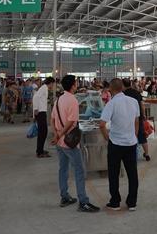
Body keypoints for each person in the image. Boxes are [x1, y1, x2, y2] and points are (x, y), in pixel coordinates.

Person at [51, 75, 99, 213]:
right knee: (79, 170)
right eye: (76, 82)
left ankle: (64, 197)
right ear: (73, 85)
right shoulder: (72, 99)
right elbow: (71, 121)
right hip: (69, 142)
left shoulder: (59, 99)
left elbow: (52, 119)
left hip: (60, 143)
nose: (77, 84)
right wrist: (61, 135)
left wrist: (56, 135)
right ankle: (83, 202)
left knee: (63, 169)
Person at [99, 79, 140, 211]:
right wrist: (134, 135)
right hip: (131, 143)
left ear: (110, 89)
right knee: (132, 173)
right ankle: (132, 203)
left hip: (116, 143)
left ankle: (115, 202)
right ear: (122, 87)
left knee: (114, 174)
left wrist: (107, 138)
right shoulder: (133, 101)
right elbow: (136, 120)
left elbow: (102, 124)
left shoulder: (111, 103)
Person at [123, 78, 150, 162]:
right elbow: (142, 104)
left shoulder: (123, 94)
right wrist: (144, 114)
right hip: (138, 116)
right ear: (130, 84)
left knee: (128, 135)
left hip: (127, 118)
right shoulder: (136, 92)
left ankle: (129, 155)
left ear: (123, 85)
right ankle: (147, 154)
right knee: (141, 135)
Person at [33, 77, 55, 158]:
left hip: (42, 111)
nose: (53, 86)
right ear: (50, 83)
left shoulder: (44, 88)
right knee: (43, 132)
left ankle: (40, 150)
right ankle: (39, 152)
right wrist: (36, 109)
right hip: (40, 112)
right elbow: (35, 97)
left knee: (43, 132)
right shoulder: (44, 88)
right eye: (53, 84)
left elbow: (40, 98)